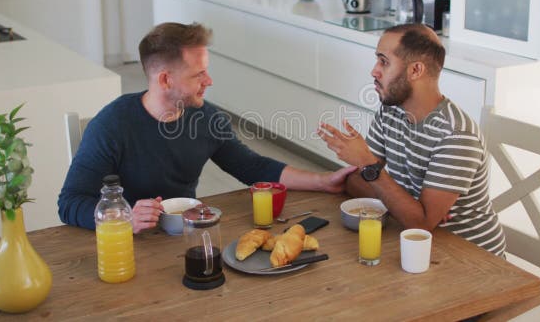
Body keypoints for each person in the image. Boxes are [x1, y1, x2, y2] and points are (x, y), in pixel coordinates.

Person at [58, 22, 356, 233]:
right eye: (198, 74)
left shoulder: (206, 119)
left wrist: (322, 181)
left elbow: (252, 166)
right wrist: (122, 218)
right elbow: (70, 202)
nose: (209, 81)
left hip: (184, 238)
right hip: (127, 244)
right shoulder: (112, 124)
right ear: (165, 80)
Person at [318, 23, 506, 256]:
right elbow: (355, 182)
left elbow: (420, 224)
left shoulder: (456, 135)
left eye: (384, 61)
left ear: (416, 70)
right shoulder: (391, 111)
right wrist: (407, 205)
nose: (374, 71)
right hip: (418, 244)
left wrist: (371, 167)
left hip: (470, 257)